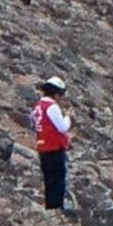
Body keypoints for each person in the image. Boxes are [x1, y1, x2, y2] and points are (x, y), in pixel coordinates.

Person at [29, 76, 72, 210]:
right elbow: (62, 127)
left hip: (43, 148)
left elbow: (33, 124)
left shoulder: (37, 107)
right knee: (57, 182)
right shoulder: (52, 107)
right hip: (54, 148)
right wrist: (68, 117)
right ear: (56, 93)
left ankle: (50, 207)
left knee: (49, 182)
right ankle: (56, 208)